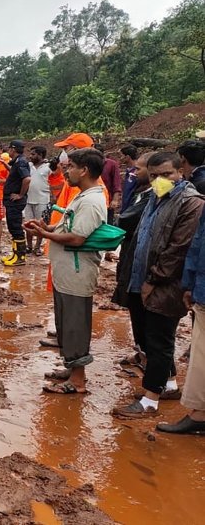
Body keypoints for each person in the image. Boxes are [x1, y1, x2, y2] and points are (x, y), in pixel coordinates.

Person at [112, 152, 205, 419]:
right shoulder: (154, 197)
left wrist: (153, 280)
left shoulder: (191, 203)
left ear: (180, 173)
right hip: (143, 279)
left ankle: (150, 401)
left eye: (166, 175)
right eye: (154, 176)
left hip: (166, 283)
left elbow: (178, 249)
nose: (160, 180)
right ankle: (169, 385)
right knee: (151, 338)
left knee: (159, 340)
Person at [25, 148, 107, 394]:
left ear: (84, 170)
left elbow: (77, 238)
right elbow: (67, 227)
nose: (65, 170)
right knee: (65, 322)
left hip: (76, 273)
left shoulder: (92, 201)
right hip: (67, 272)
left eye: (70, 166)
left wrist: (44, 234)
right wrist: (46, 226)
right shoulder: (81, 196)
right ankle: (72, 368)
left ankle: (78, 381)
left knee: (75, 324)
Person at [157, 180, 205, 434]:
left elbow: (196, 246)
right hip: (201, 289)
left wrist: (189, 283)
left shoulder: (192, 201)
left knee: (202, 355)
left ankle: (200, 415)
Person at [112, 153, 154, 373]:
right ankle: (141, 352)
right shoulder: (141, 193)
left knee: (145, 316)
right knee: (135, 311)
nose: (133, 172)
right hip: (131, 259)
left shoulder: (153, 198)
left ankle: (152, 364)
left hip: (145, 267)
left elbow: (126, 219)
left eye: (139, 169)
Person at [1, 140, 32, 266]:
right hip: (11, 201)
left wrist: (20, 194)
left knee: (16, 228)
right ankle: (15, 254)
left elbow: (27, 179)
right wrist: (5, 165)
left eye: (9, 148)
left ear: (13, 149)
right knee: (13, 228)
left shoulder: (21, 162)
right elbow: (16, 174)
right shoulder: (17, 162)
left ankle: (20, 257)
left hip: (15, 202)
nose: (8, 150)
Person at [25, 146, 52, 256]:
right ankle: (29, 246)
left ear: (40, 155)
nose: (30, 156)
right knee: (28, 224)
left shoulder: (49, 167)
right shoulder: (28, 166)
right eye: (30, 154)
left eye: (33, 154)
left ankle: (37, 247)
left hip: (42, 200)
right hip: (28, 199)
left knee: (40, 225)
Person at [120, 145, 140, 214]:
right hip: (125, 208)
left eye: (122, 156)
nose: (120, 158)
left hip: (132, 209)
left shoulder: (138, 173)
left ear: (127, 157)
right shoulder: (129, 171)